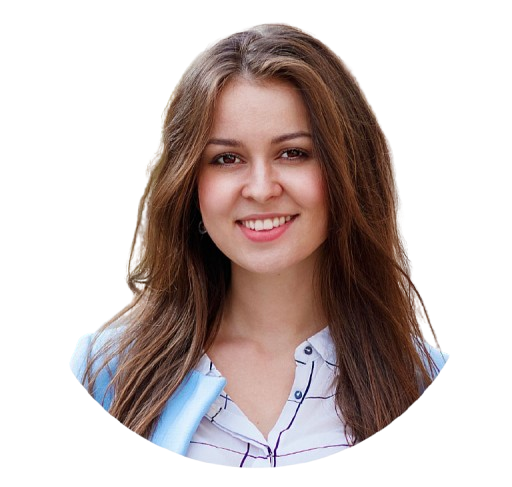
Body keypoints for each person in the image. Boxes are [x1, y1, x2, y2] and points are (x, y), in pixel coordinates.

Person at [70, 22, 449, 468]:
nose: (261, 188)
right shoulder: (107, 372)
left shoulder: (422, 381)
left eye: (293, 153)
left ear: (347, 170)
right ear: (190, 184)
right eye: (226, 158)